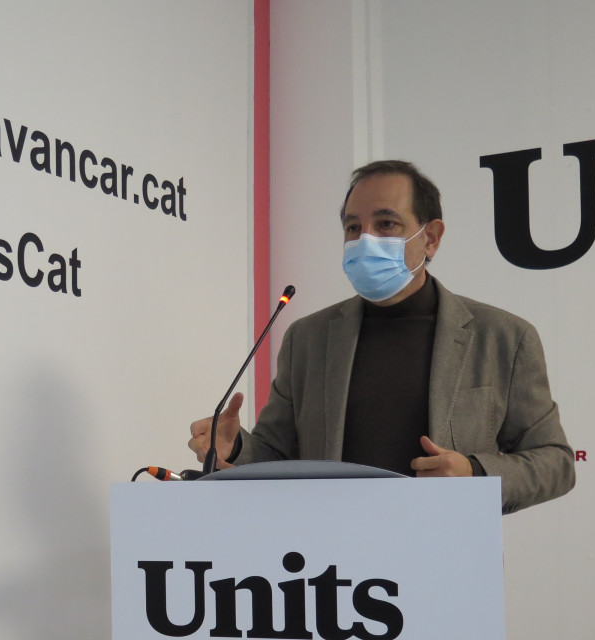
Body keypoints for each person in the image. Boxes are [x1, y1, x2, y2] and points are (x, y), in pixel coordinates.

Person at [188, 159, 574, 514]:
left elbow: (556, 463)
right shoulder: (307, 339)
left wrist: (474, 473)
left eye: (386, 224)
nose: (365, 239)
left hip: (448, 551)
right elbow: (277, 456)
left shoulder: (503, 337)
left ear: (431, 237)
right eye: (353, 227)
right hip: (329, 553)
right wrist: (236, 447)